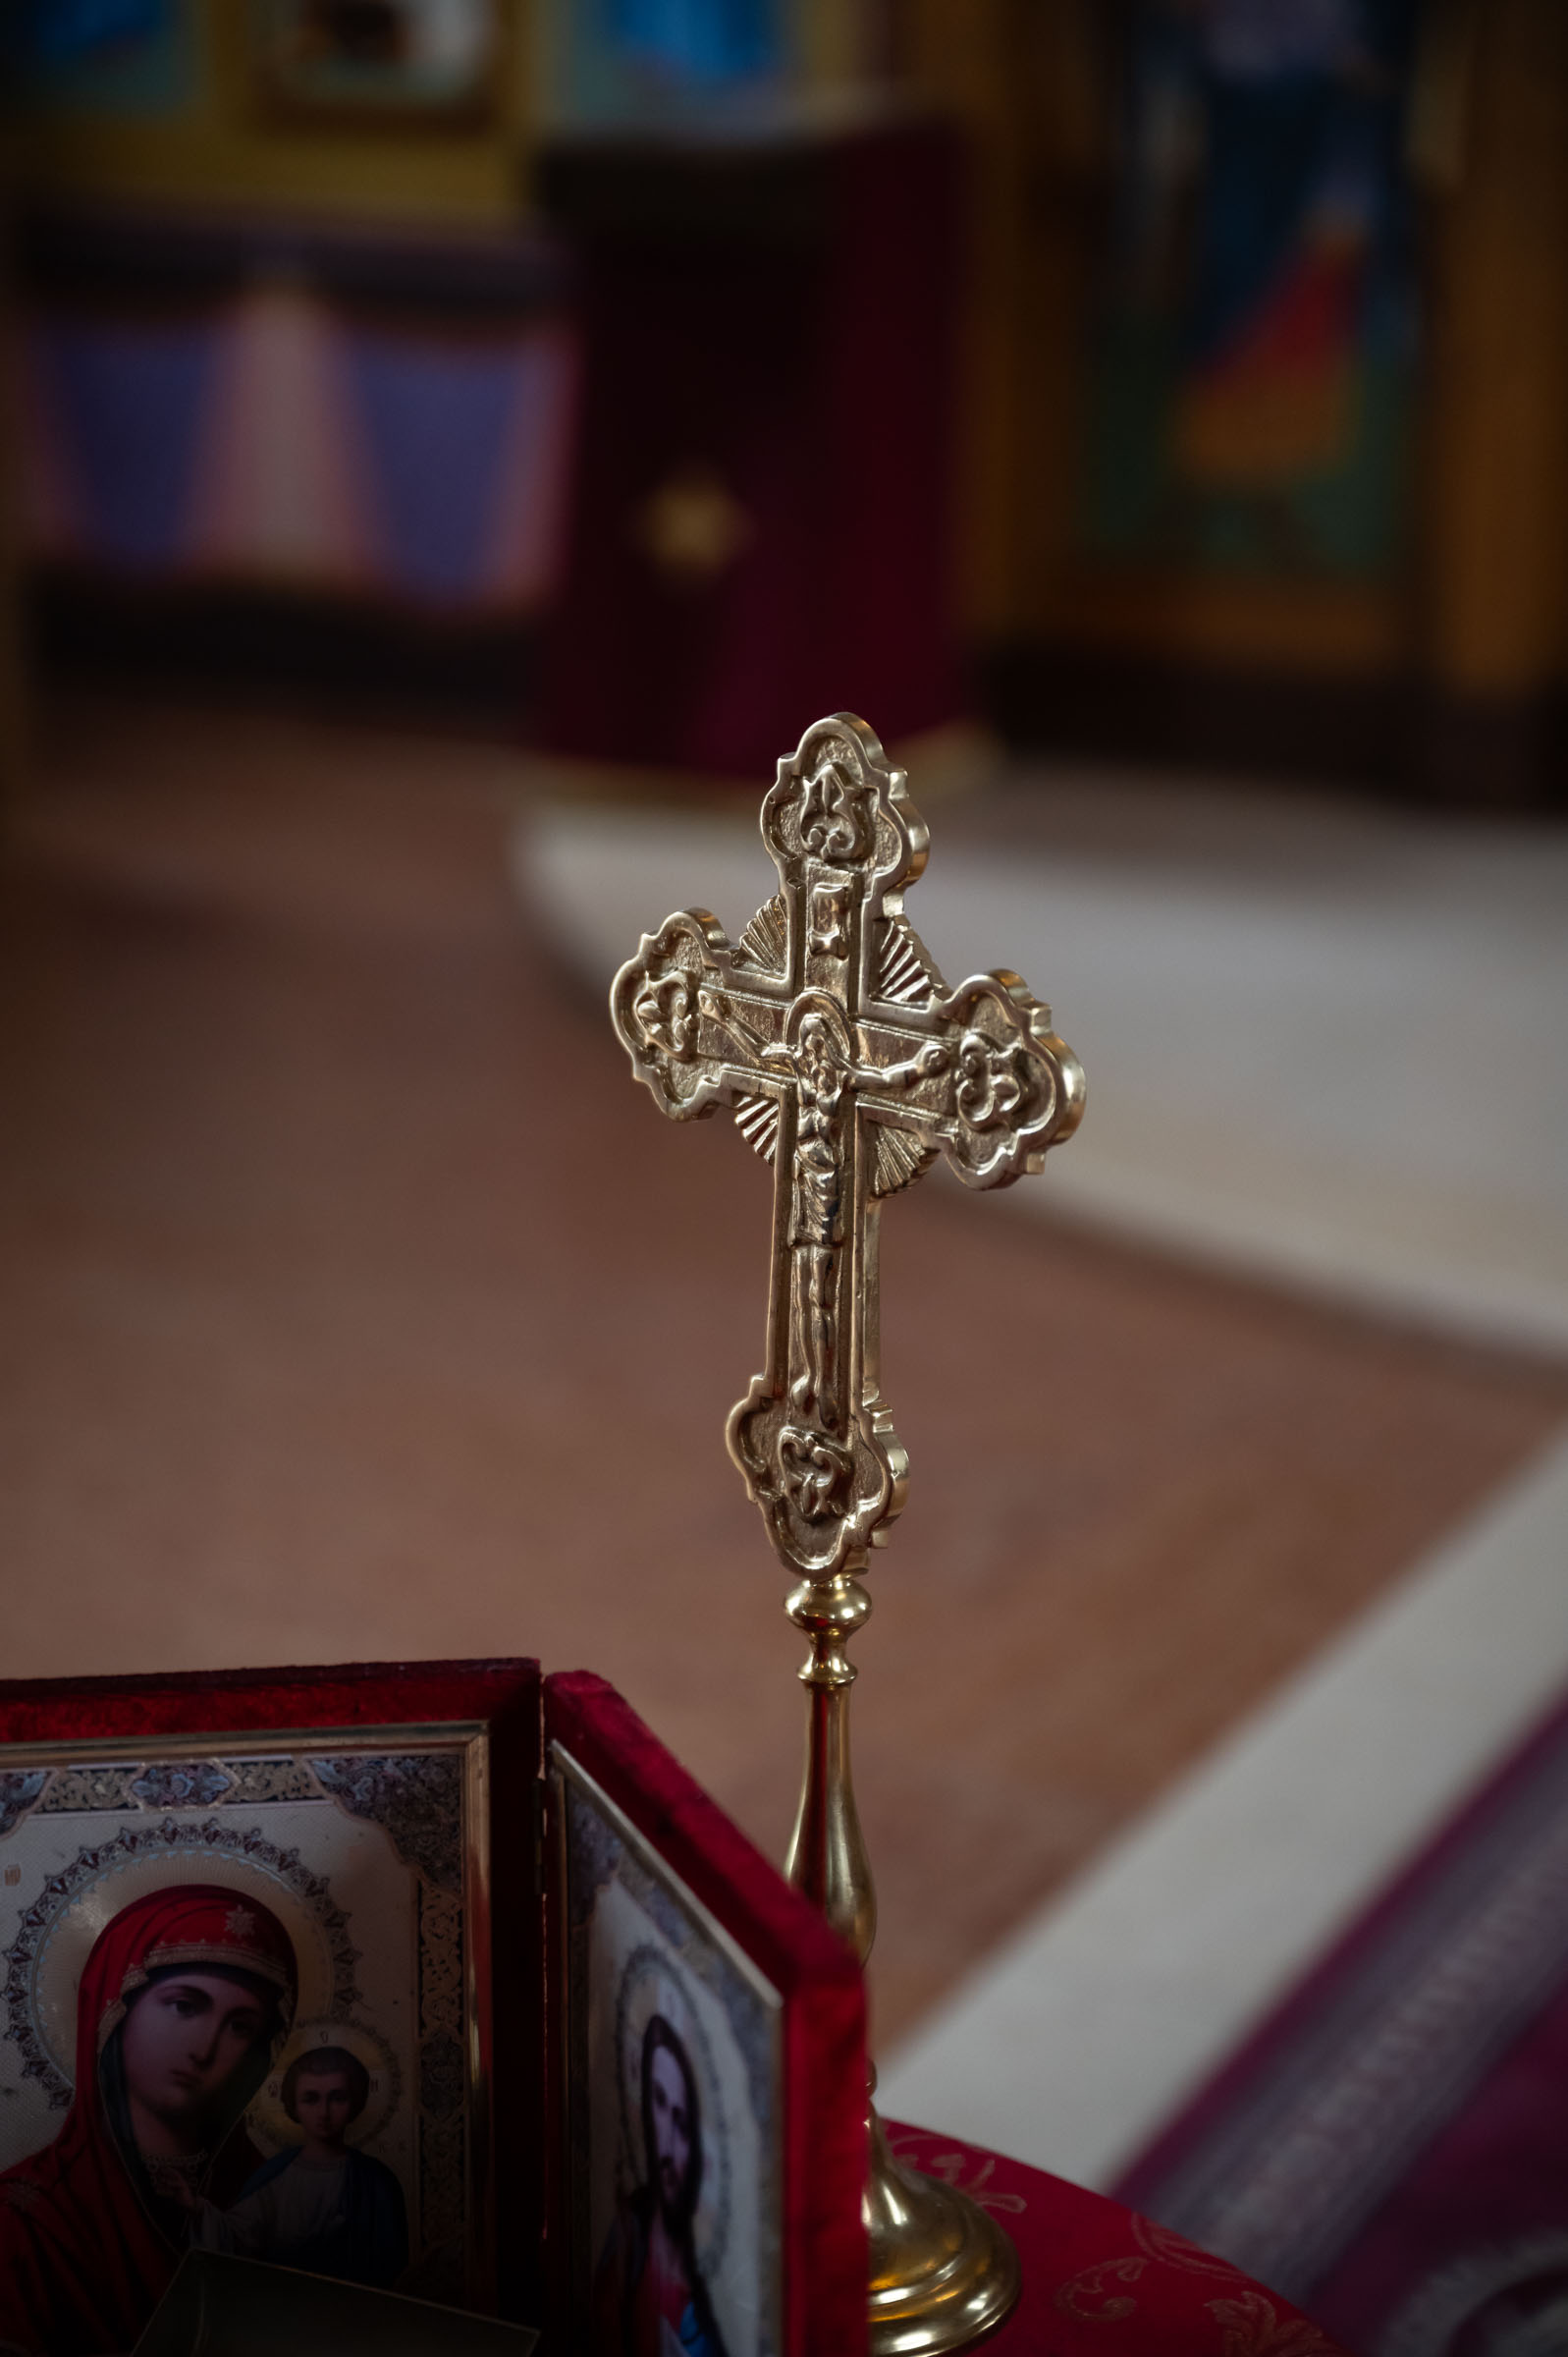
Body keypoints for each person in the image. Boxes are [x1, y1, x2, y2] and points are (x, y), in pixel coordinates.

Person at [0, 1882, 297, 2355]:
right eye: (184, 2006)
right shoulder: (27, 2219)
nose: (204, 2049)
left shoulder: (269, 2195)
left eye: (240, 2026)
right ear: (115, 2009)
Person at [190, 2044, 407, 2287]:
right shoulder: (275, 2176)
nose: (324, 2112)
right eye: (311, 2099)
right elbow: (234, 2238)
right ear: (294, 2105)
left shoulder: (377, 2181)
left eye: (337, 2098)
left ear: (355, 2102)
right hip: (283, 2299)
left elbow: (390, 2266)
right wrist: (195, 2208)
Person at [593, 2013, 729, 2357]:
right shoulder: (628, 2233)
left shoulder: (709, 2292)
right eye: (658, 2100)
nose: (665, 2146)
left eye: (681, 2124)